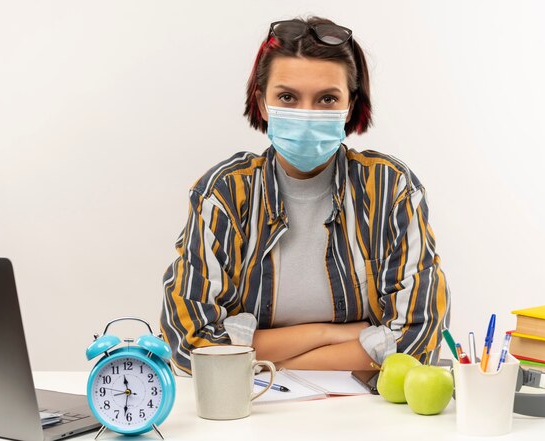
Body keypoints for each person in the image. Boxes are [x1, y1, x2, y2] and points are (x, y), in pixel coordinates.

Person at [160, 16, 450, 375]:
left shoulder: (391, 190)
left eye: (327, 98)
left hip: (366, 415)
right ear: (263, 103)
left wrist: (257, 356)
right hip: (250, 414)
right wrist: (333, 334)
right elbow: (191, 345)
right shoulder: (222, 193)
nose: (307, 116)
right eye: (287, 97)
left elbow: (417, 344)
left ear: (349, 106)